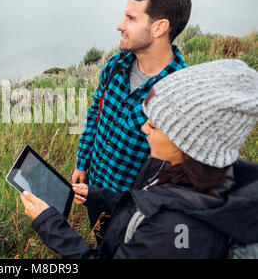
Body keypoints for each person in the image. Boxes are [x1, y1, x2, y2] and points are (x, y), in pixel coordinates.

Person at [21, 59, 258, 258]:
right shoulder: (172, 166)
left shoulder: (175, 232)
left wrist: (49, 224)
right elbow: (146, 203)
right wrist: (97, 195)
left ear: (188, 143)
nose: (144, 128)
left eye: (154, 125)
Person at [72, 0, 192, 229]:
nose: (120, 26)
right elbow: (96, 114)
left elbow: (174, 175)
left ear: (159, 27)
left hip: (133, 211)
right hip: (94, 188)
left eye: (131, 18)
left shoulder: (180, 93)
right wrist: (83, 162)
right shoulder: (116, 65)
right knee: (100, 244)